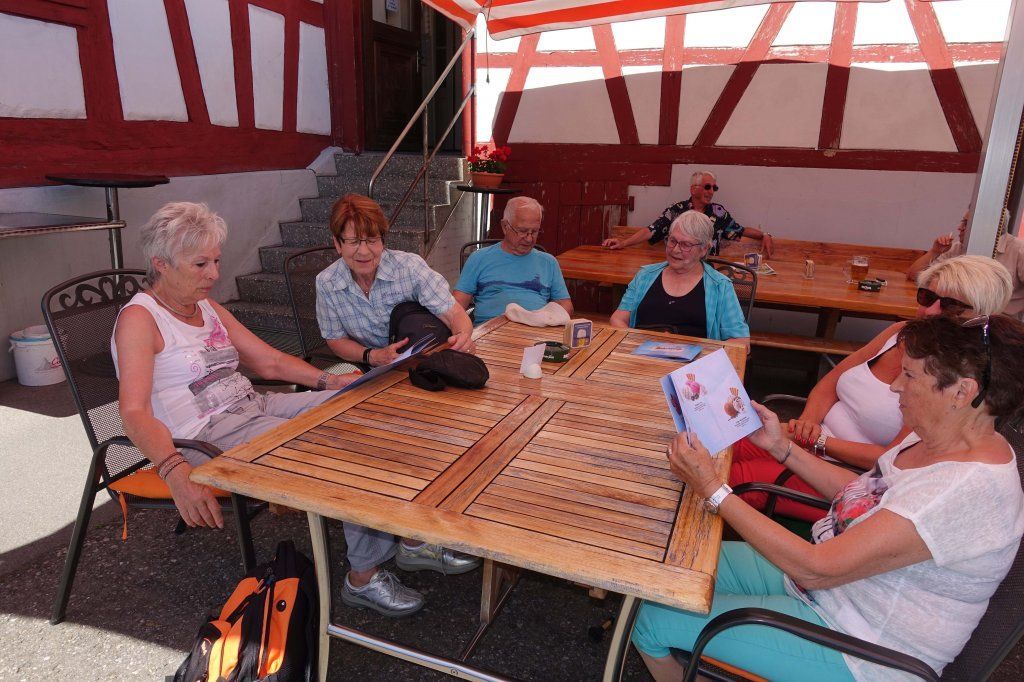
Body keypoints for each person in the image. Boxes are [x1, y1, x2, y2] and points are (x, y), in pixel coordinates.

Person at [114, 202, 472, 621]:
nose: (214, 274)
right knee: (338, 449)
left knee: (366, 408)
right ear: (161, 263)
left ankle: (409, 539)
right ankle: (363, 577)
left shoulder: (205, 307)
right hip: (203, 435)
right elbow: (133, 412)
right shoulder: (141, 319)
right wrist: (174, 472)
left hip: (253, 404)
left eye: (216, 261)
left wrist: (327, 382)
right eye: (201, 264)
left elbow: (268, 362)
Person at [633, 314, 1024, 681]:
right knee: (671, 570)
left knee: (650, 621)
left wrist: (712, 488)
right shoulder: (944, 437)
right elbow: (862, 494)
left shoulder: (963, 491)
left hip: (861, 646)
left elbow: (816, 568)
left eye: (909, 375)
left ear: (962, 392)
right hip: (833, 593)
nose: (895, 386)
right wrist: (781, 448)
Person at [731, 255, 1014, 522]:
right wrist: (807, 424)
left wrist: (817, 442)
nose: (930, 310)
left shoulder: (946, 386)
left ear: (980, 316)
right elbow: (832, 380)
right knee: (728, 442)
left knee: (737, 477)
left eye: (949, 305)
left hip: (849, 476)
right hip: (811, 444)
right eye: (927, 297)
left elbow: (891, 461)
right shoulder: (900, 332)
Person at [316, 193, 476, 367]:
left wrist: (462, 337)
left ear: (383, 241)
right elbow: (336, 340)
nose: (364, 251)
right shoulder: (327, 283)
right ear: (338, 244)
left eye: (372, 240)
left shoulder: (409, 268)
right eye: (353, 241)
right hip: (371, 367)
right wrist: (372, 356)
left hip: (423, 362)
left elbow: (454, 313)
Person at [609, 210, 750, 347]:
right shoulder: (645, 276)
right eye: (672, 241)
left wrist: (704, 359)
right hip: (640, 357)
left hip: (695, 362)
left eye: (686, 244)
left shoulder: (720, 286)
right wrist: (634, 345)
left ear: (704, 249)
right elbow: (618, 319)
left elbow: (740, 341)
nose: (675, 250)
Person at [453, 196, 573, 326]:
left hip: (536, 330)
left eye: (534, 231)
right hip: (490, 331)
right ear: (505, 226)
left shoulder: (549, 262)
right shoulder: (478, 258)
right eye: (523, 231)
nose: (529, 239)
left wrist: (542, 317)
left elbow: (565, 305)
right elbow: (457, 305)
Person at [601, 170, 774, 257]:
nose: (711, 191)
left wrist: (764, 234)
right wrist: (623, 243)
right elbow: (651, 230)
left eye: (714, 188)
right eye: (707, 187)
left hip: (707, 272)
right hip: (678, 267)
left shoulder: (718, 212)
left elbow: (740, 230)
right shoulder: (677, 210)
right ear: (693, 189)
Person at [908, 208, 1024, 318]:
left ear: (988, 226)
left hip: (1002, 321)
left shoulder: (1019, 250)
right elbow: (914, 276)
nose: (960, 228)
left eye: (966, 223)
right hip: (953, 315)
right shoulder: (959, 247)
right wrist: (935, 251)